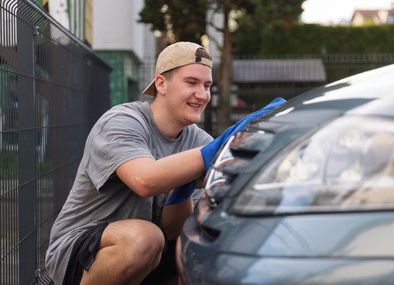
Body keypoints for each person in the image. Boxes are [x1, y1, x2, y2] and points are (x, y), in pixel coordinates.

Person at [45, 41, 286, 285]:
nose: (202, 95)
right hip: (81, 253)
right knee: (146, 239)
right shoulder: (123, 121)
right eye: (191, 83)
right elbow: (144, 180)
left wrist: (185, 187)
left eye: (207, 85)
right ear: (161, 84)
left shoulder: (199, 140)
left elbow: (173, 229)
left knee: (190, 249)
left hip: (149, 255)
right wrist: (215, 149)